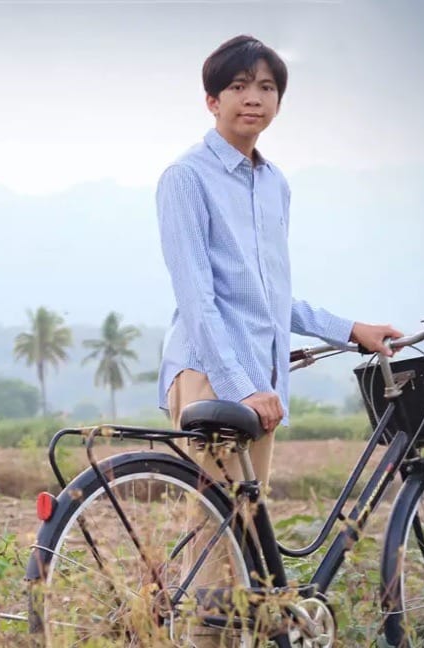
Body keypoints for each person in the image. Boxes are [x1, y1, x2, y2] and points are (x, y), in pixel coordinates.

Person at [155, 37, 401, 644]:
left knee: (242, 534)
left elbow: (271, 297)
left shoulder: (275, 185)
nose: (253, 98)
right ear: (211, 100)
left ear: (278, 101)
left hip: (261, 383)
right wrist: (242, 387)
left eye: (266, 87)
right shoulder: (186, 178)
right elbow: (198, 300)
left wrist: (351, 330)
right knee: (218, 533)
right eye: (239, 86)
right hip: (212, 373)